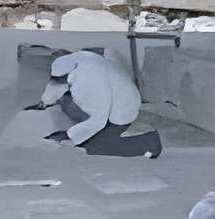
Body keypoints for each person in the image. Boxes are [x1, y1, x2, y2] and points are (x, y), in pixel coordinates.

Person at [27, 48, 164, 160]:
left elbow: (99, 120)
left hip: (122, 109)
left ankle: (148, 142)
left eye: (62, 79)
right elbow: (57, 84)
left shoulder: (89, 79)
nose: (59, 81)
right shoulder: (74, 60)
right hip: (112, 94)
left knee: (93, 147)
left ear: (72, 73)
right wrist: (44, 103)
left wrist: (69, 135)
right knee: (72, 112)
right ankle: (88, 134)